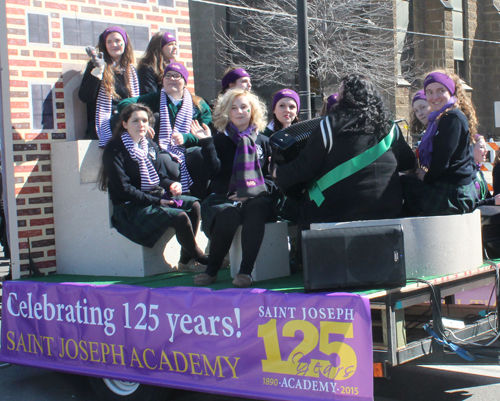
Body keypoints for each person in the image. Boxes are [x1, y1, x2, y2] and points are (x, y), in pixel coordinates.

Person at [271, 74, 404, 226]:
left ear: (344, 97)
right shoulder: (391, 127)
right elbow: (407, 161)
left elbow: (306, 166)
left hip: (337, 212)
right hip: (388, 209)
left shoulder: (329, 125)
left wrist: (278, 173)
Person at [99, 103, 207, 271]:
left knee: (194, 205)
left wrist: (172, 185)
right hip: (130, 208)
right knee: (179, 216)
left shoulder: (149, 145)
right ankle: (200, 257)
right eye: (135, 121)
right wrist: (158, 201)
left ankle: (185, 261)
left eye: (144, 120)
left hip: (155, 199)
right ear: (125, 124)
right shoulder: (115, 149)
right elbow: (124, 189)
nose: (141, 125)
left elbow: (161, 178)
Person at [189, 89, 276, 288]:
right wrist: (207, 143)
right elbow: (212, 174)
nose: (239, 112)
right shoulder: (218, 140)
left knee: (256, 208)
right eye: (234, 108)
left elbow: (273, 180)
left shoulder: (263, 141)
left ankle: (245, 272)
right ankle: (212, 270)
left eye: (244, 107)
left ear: (252, 111)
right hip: (223, 198)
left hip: (257, 198)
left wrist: (250, 192)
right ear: (227, 112)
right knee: (229, 215)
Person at [118, 62, 212, 199]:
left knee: (200, 156)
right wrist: (144, 121)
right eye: (168, 76)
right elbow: (124, 105)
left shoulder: (198, 104)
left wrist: (186, 138)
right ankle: (179, 201)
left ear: (185, 82)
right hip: (163, 148)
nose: (172, 79)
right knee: (165, 162)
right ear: (163, 81)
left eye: (177, 76)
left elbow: (206, 133)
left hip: (189, 149)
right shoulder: (155, 98)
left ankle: (201, 201)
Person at [402, 70, 481, 216]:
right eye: (429, 92)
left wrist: (426, 176)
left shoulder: (452, 117)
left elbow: (442, 160)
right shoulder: (440, 118)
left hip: (454, 194)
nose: (435, 97)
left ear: (451, 91)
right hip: (454, 189)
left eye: (440, 90)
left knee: (402, 184)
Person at [78, 27, 139, 147]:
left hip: (128, 117)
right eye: (109, 42)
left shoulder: (131, 70)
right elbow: (84, 97)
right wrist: (98, 71)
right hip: (105, 121)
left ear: (125, 43)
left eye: (117, 40)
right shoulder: (96, 64)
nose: (114, 45)